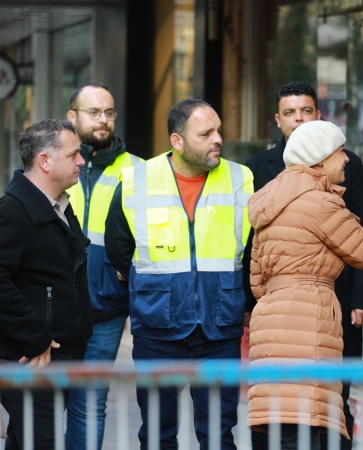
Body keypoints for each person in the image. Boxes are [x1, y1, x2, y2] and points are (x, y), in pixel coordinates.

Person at [246, 120, 363, 450]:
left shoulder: (269, 201)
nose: (346, 159)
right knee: (305, 425)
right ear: (320, 160)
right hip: (308, 323)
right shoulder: (320, 203)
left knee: (281, 424)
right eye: (340, 152)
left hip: (269, 323)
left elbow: (257, 278)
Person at [104, 99, 253, 450]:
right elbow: (118, 247)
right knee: (157, 434)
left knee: (218, 435)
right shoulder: (136, 180)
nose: (218, 138)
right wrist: (151, 283)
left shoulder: (240, 177)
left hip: (220, 328)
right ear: (178, 141)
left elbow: (254, 247)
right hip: (158, 327)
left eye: (219, 130)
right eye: (206, 133)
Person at [244, 81, 363, 450]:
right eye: (290, 112)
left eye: (306, 111)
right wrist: (254, 302)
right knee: (281, 406)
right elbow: (251, 246)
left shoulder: (344, 164)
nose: (298, 118)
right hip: (283, 308)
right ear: (277, 119)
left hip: (339, 303)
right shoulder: (259, 168)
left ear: (318, 115)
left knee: (333, 399)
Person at [0, 119, 91, 449]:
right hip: (30, 361)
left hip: (56, 357)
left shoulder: (60, 207)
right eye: (74, 154)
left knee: (26, 441)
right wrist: (36, 337)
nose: (81, 161)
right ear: (45, 161)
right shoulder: (13, 211)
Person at [64, 82, 142, 450]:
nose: (103, 120)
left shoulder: (138, 170)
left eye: (109, 112)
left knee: (90, 402)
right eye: (94, 112)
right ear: (72, 117)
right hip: (56, 306)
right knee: (43, 402)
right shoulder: (53, 163)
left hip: (106, 309)